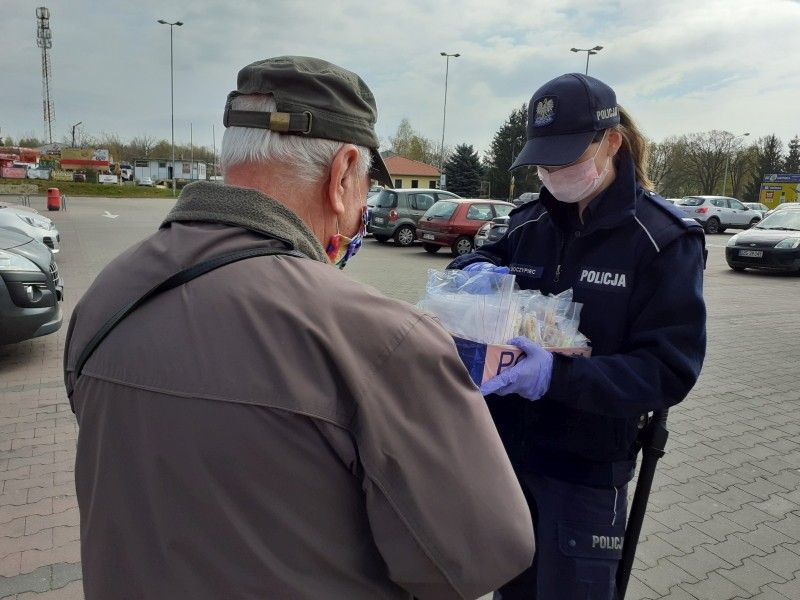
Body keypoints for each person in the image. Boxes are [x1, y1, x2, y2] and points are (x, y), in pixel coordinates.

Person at [64, 56, 534, 599]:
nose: (362, 216)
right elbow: (484, 554)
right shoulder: (380, 340)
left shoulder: (105, 297)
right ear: (341, 175)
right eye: (365, 190)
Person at [449, 73, 707, 599]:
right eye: (543, 162)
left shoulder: (663, 242)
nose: (552, 174)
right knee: (511, 590)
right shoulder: (529, 224)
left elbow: (668, 371)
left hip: (585, 471)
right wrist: (470, 271)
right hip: (506, 459)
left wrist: (555, 375)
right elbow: (484, 263)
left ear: (610, 142)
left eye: (564, 160)